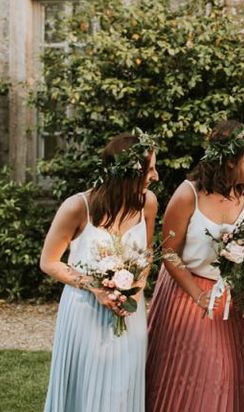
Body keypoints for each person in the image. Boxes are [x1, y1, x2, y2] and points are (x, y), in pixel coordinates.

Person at [146, 121, 244, 412]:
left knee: (226, 374)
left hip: (228, 297)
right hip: (187, 294)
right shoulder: (189, 194)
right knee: (190, 374)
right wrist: (197, 296)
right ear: (230, 160)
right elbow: (169, 253)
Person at [41, 130, 159, 412]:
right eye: (150, 169)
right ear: (128, 172)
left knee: (122, 386)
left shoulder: (148, 203)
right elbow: (49, 261)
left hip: (130, 311)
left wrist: (136, 286)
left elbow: (147, 253)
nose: (155, 176)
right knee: (84, 387)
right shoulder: (77, 206)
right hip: (84, 311)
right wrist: (94, 287)